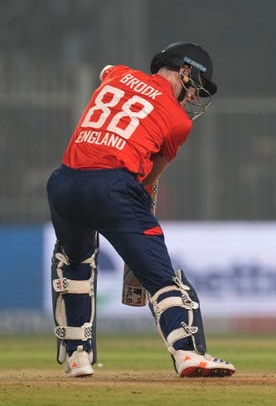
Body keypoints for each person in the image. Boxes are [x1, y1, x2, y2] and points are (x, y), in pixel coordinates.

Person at [47, 42, 236, 378]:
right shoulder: (179, 122)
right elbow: (149, 178)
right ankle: (187, 353)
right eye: (196, 87)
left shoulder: (118, 75)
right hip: (113, 189)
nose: (194, 96)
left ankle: (77, 356)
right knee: (162, 278)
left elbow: (106, 70)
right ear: (185, 71)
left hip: (64, 183)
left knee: (74, 262)